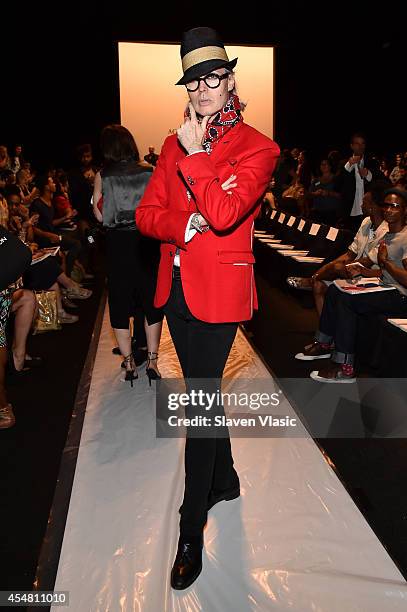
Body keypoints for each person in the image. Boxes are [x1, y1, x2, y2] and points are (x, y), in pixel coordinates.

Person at [136, 27, 280, 589]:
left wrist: (196, 158)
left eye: (211, 78)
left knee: (196, 401)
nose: (201, 90)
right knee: (203, 391)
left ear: (230, 81)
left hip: (220, 296)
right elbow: (148, 216)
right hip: (174, 293)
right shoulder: (173, 143)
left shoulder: (257, 147)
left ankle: (190, 526)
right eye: (192, 80)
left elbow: (224, 213)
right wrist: (180, 221)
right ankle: (226, 479)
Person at [296, 188, 407, 382]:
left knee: (347, 300)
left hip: (400, 296)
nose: (389, 210)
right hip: (385, 287)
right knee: (336, 289)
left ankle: (344, 367)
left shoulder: (405, 237)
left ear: (404, 211)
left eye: (395, 206)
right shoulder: (388, 235)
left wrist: (386, 262)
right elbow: (383, 271)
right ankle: (324, 343)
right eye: (387, 205)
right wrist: (365, 271)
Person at [93, 124, 163, 385]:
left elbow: (100, 214)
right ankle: (153, 361)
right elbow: (158, 208)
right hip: (146, 244)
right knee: (151, 300)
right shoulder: (150, 171)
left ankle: (130, 363)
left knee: (120, 302)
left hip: (118, 246)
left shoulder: (104, 175)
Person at [338, 132, 377, 231]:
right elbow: (337, 183)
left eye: (363, 143)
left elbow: (380, 181)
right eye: (357, 144)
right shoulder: (344, 163)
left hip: (368, 209)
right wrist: (349, 165)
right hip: (350, 209)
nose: (360, 146)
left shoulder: (372, 161)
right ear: (351, 146)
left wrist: (368, 174)